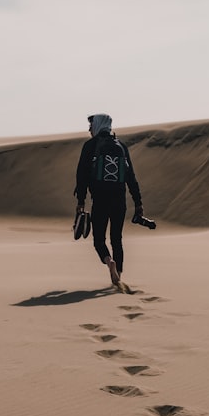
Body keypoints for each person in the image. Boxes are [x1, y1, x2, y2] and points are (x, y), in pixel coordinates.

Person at [74, 113, 144, 289]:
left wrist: (81, 200)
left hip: (100, 200)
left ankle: (109, 261)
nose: (89, 130)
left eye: (91, 126)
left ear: (97, 126)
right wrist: (138, 202)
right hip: (119, 201)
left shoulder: (90, 146)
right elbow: (131, 177)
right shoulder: (121, 146)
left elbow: (81, 175)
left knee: (99, 240)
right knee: (116, 239)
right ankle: (118, 276)